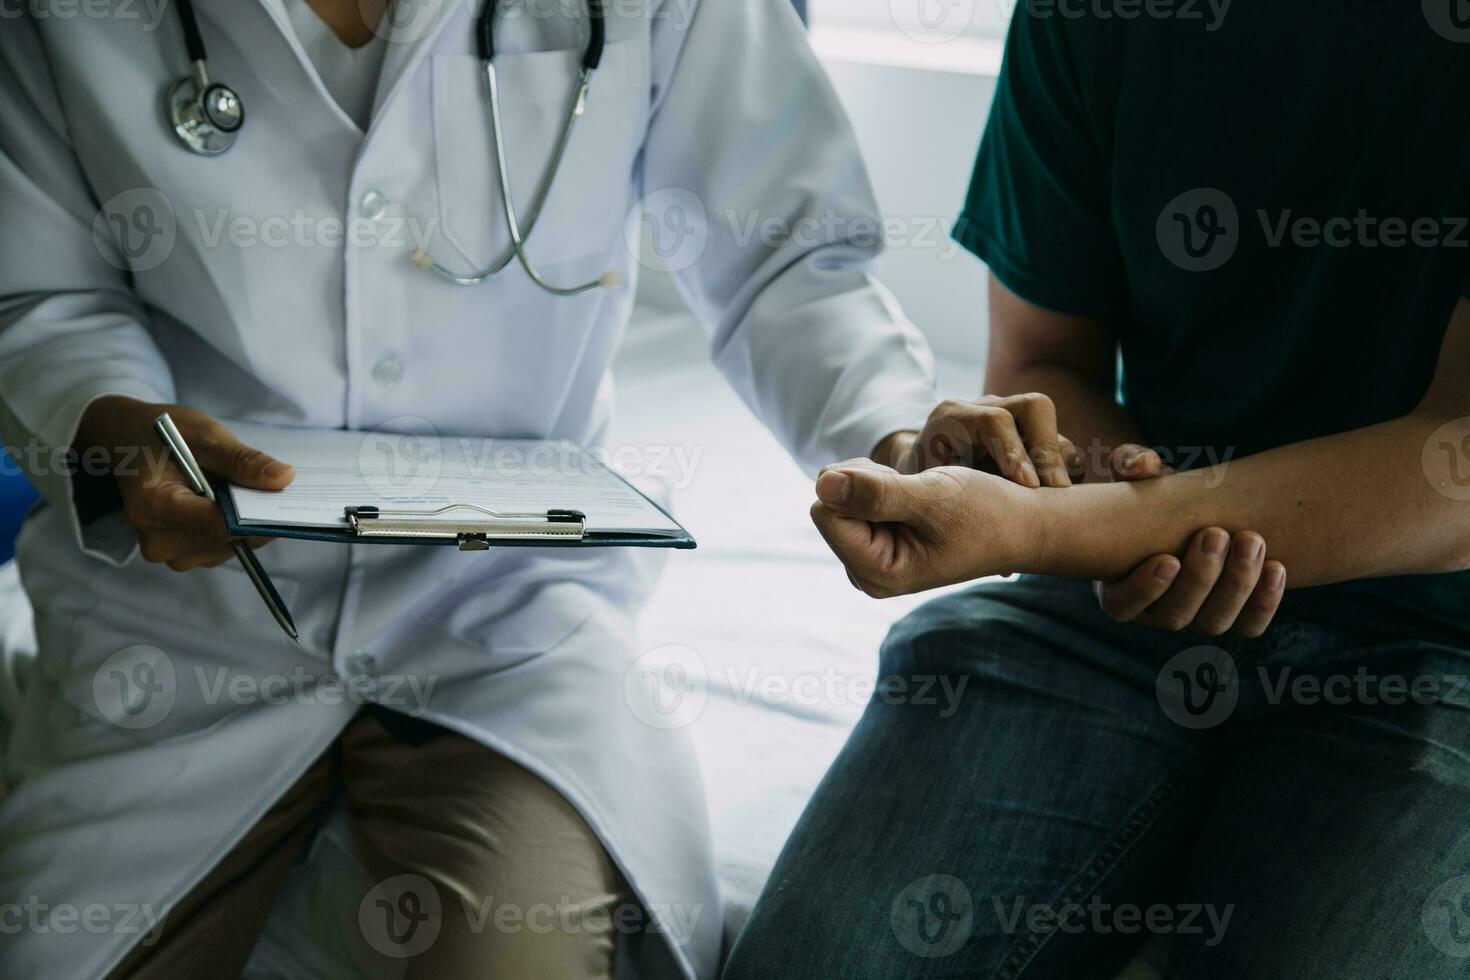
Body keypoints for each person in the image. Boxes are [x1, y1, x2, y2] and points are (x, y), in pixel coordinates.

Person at [0, 0, 968, 976]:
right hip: (193, 603)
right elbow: (40, 293)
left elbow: (784, 260)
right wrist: (107, 425)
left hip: (506, 608)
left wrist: (895, 434)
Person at [724, 4, 1470, 979]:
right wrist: (1036, 480)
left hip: (1438, 647)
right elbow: (1043, 362)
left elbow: (1453, 468)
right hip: (1112, 618)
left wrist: (1072, 526)